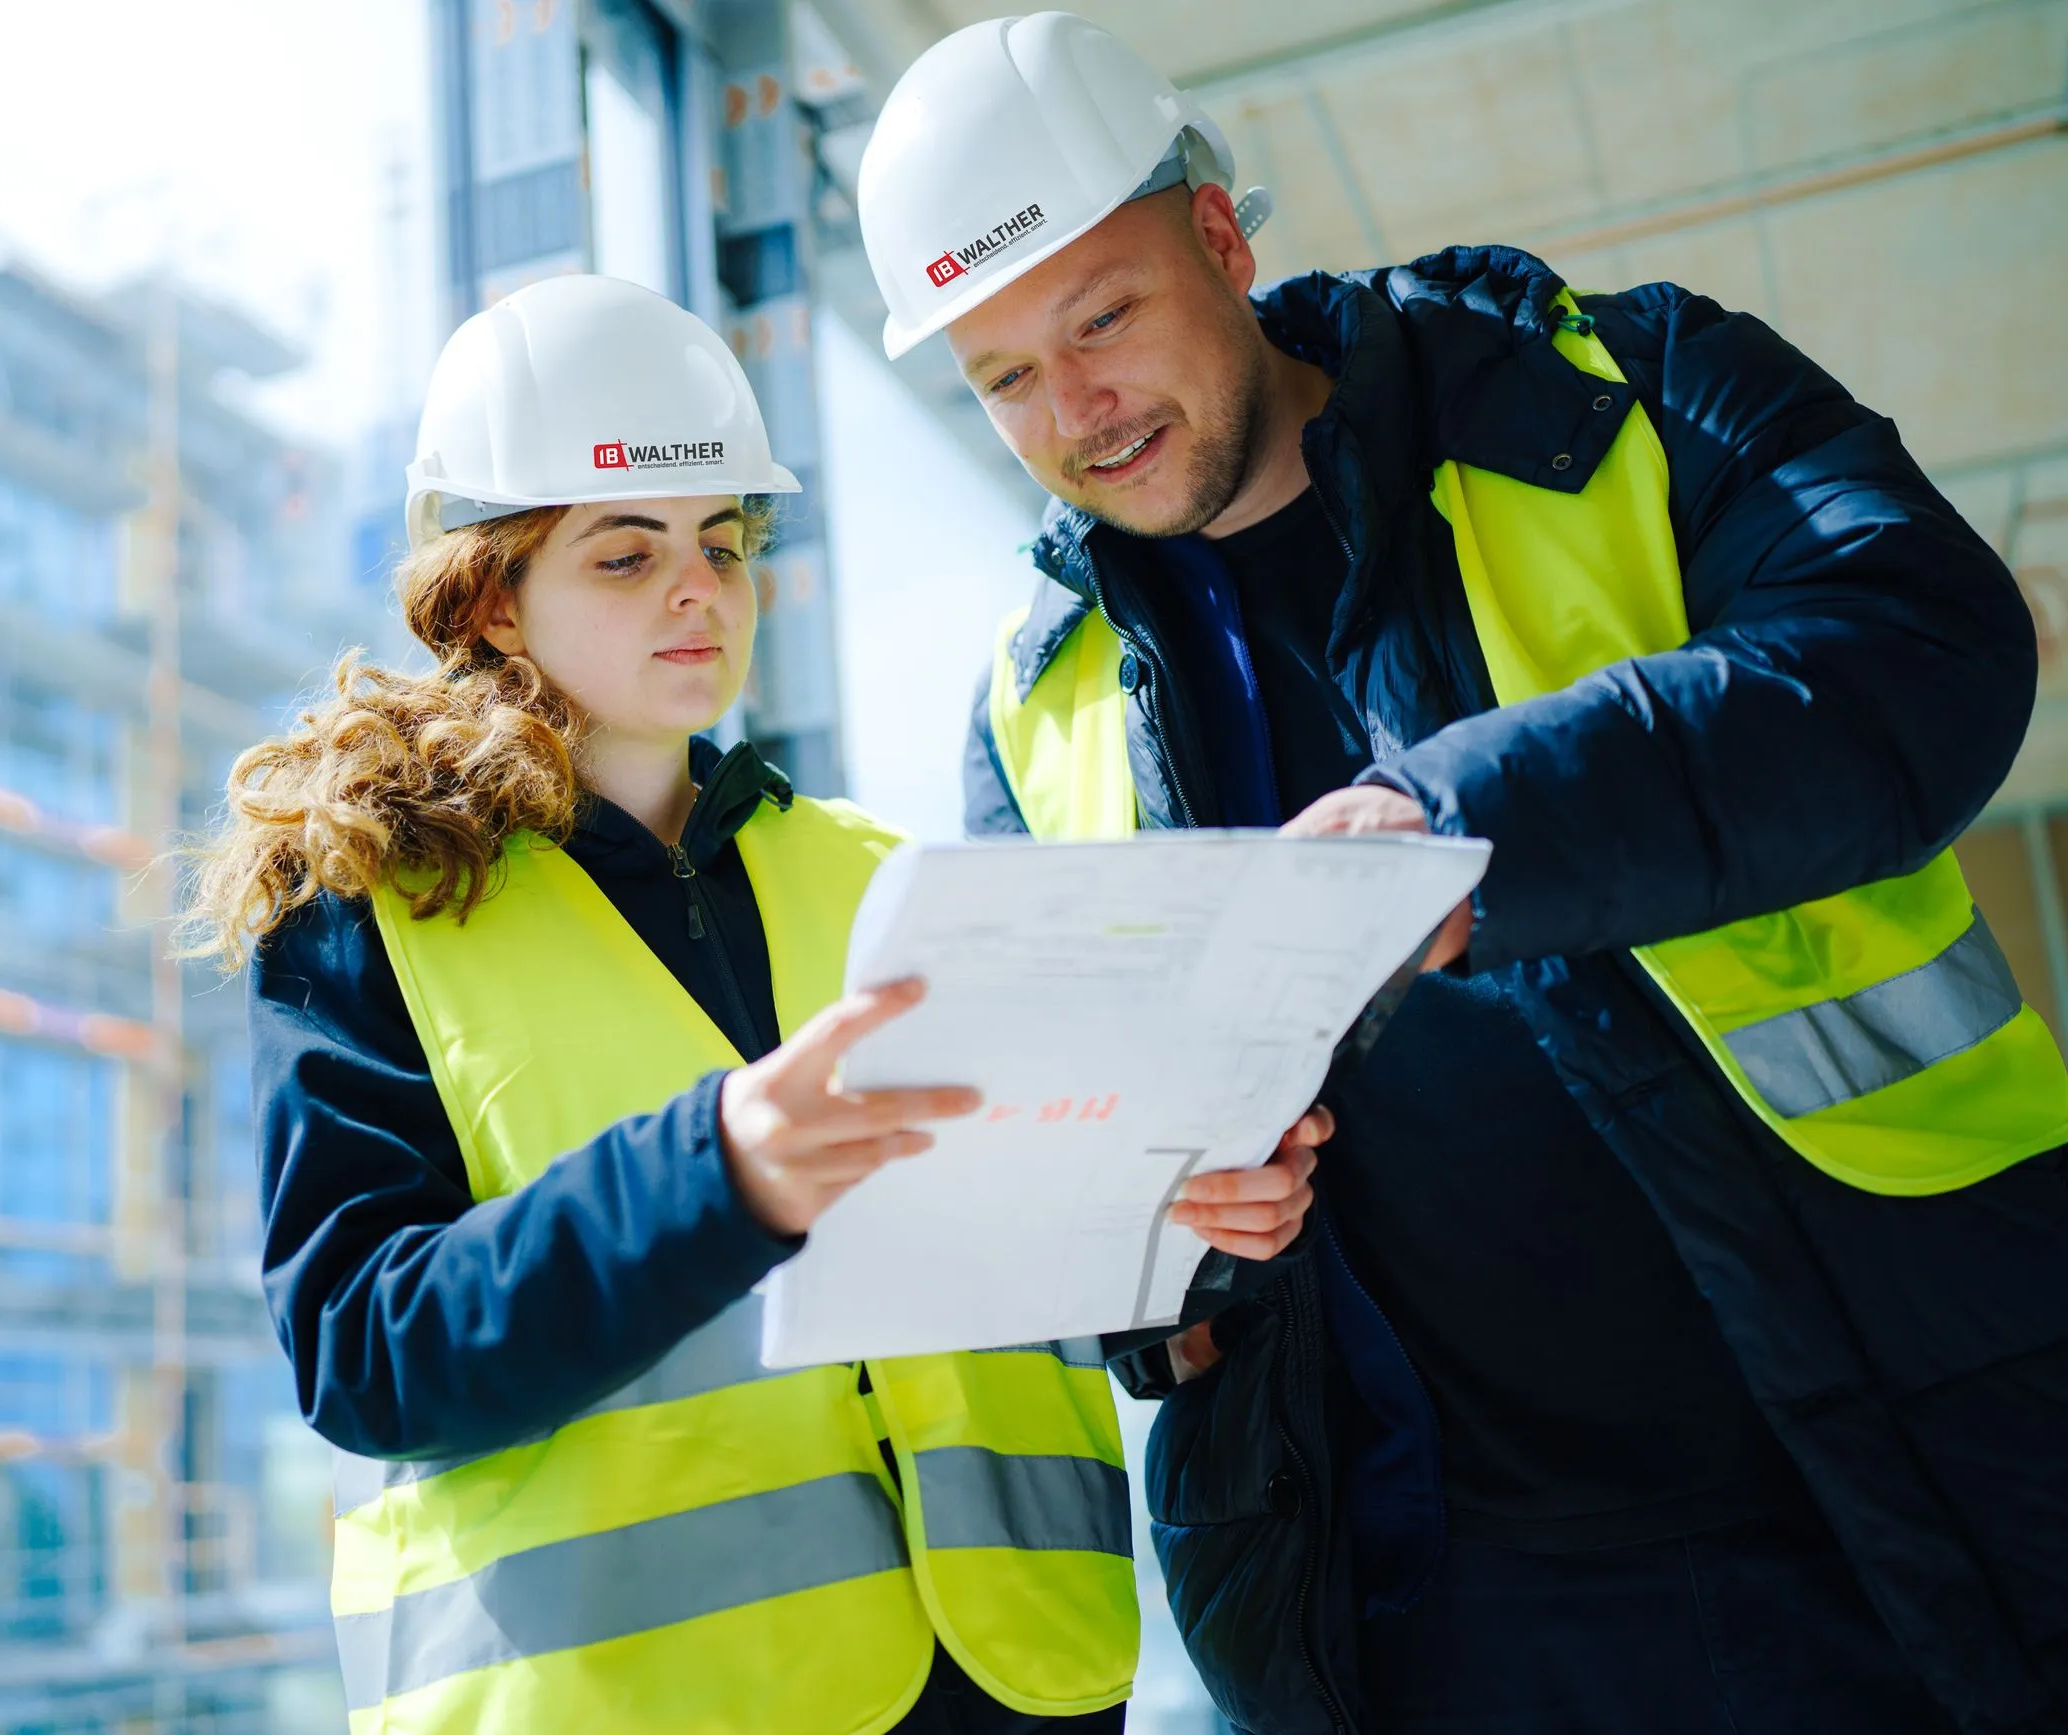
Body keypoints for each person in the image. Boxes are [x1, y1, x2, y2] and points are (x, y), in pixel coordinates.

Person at [853, 13, 2068, 1735]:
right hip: (1430, 1609)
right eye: (1002, 377)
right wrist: (1169, 1242)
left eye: (1102, 317)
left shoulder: (1617, 395)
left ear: (1221, 238)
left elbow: (1923, 648)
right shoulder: (1031, 706)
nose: (1074, 411)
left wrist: (1457, 829)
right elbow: (1085, 1208)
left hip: (1869, 1483)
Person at [182, 274, 1326, 1734]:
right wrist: (715, 1172)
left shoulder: (880, 878)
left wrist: (1176, 1240)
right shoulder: (366, 914)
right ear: (489, 597)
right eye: (626, 553)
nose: (698, 589)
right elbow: (363, 1350)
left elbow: (1007, 1259)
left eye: (721, 543)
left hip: (1013, 1682)